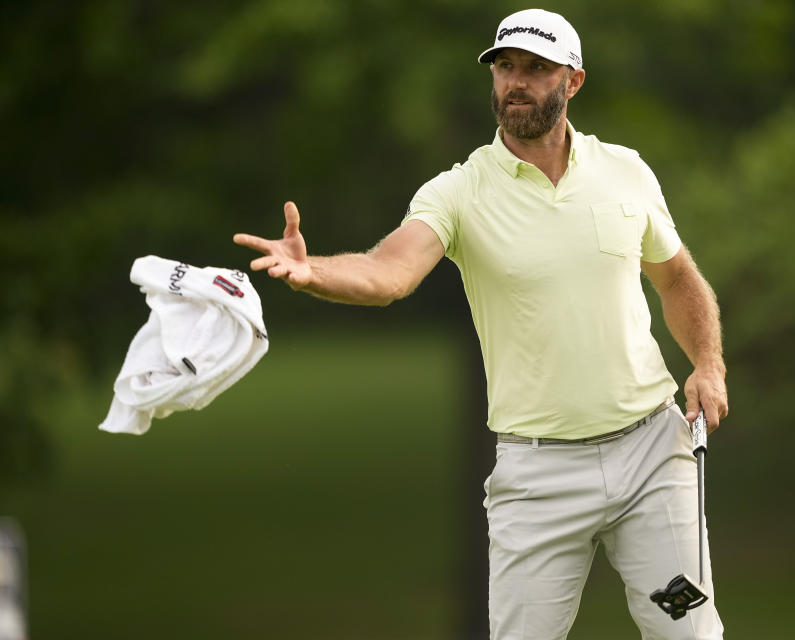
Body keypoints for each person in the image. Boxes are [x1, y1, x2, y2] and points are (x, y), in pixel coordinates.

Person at [234, 8, 727, 639]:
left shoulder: (625, 170)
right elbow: (390, 273)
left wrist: (707, 364)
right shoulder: (458, 191)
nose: (515, 82)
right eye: (505, 66)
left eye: (536, 69)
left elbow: (679, 277)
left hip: (653, 454)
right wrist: (315, 272)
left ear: (573, 81)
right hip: (539, 473)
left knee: (689, 633)